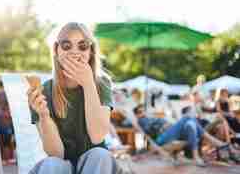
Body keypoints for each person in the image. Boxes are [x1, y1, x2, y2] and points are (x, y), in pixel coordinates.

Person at [27, 22, 117, 174]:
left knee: (101, 155)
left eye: (82, 46)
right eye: (66, 45)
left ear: (91, 52)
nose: (75, 52)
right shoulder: (43, 91)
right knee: (52, 165)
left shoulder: (102, 84)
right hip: (62, 165)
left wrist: (88, 84)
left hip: (95, 165)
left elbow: (97, 136)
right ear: (56, 50)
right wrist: (43, 115)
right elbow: (56, 153)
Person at [133, 104, 229, 167]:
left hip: (170, 132)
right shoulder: (141, 121)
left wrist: (165, 122)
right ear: (136, 115)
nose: (142, 113)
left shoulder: (148, 117)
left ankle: (196, 157)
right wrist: (162, 123)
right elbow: (149, 128)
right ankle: (213, 143)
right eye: (140, 112)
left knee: (191, 125)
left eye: (143, 111)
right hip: (162, 137)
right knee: (188, 117)